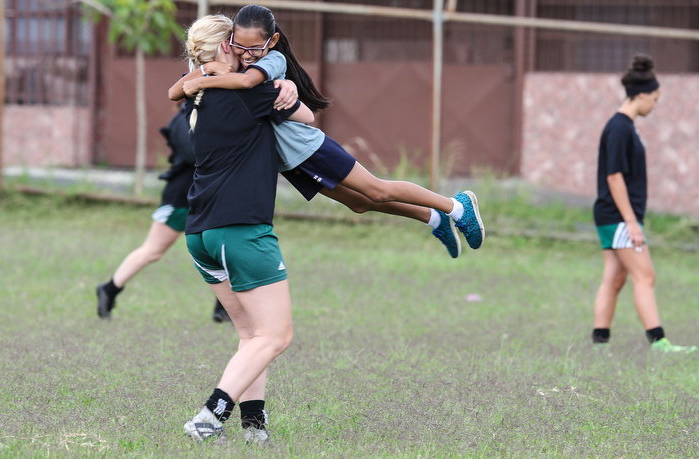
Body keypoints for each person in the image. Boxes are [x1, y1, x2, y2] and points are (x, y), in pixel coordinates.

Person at [169, 4, 485, 260]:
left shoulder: (268, 64)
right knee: (359, 203)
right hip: (290, 163)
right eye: (239, 46)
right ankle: (434, 218)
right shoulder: (226, 71)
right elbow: (175, 91)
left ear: (272, 42)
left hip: (308, 149)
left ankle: (456, 207)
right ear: (230, 43)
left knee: (377, 189)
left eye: (254, 47)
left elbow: (288, 106)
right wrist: (207, 71)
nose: (246, 53)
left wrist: (204, 80)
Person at [178, 14, 314, 444]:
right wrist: (285, 87)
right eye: (237, 47)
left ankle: (255, 429)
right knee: (277, 335)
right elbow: (308, 119)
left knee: (251, 336)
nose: (245, 54)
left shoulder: (192, 96)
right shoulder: (249, 93)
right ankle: (209, 416)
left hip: (200, 233)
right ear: (223, 49)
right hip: (241, 229)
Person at [591, 54, 695, 354]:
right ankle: (659, 342)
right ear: (642, 95)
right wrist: (632, 221)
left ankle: (599, 343)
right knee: (645, 275)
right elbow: (614, 178)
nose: (655, 105)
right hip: (619, 216)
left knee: (614, 278)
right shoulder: (620, 127)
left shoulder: (624, 125)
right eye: (655, 99)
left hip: (613, 215)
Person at [95, 105, 231, 323]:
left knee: (223, 249)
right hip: (181, 197)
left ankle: (224, 308)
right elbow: (194, 154)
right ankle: (110, 289)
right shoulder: (185, 119)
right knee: (153, 250)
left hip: (209, 197)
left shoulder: (213, 116)